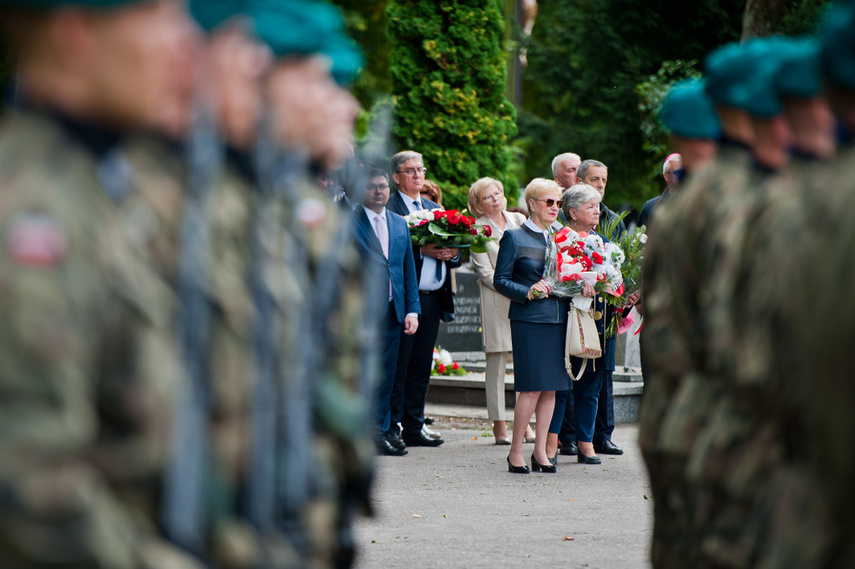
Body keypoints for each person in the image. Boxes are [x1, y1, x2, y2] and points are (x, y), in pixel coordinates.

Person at [0, 0, 205, 567]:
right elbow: (27, 474)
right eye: (162, 19)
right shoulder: (29, 209)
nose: (184, 46)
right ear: (74, 35)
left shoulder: (94, 188)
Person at [494, 178, 572, 474]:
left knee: (551, 388)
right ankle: (515, 451)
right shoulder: (514, 236)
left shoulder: (561, 237)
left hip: (558, 318)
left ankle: (540, 452)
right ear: (533, 204)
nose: (555, 208)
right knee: (531, 388)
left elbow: (568, 276)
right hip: (529, 319)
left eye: (559, 203)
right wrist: (525, 292)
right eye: (549, 202)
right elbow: (500, 280)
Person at [386, 150, 460, 447]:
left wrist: (452, 253)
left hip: (433, 297)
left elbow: (457, 246)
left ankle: (414, 426)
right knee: (398, 365)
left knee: (420, 366)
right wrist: (422, 250)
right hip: (404, 299)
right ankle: (391, 426)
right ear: (396, 177)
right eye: (411, 171)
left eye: (421, 170)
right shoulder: (389, 208)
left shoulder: (432, 206)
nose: (418, 175)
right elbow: (388, 250)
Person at [353, 165, 420, 457]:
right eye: (371, 187)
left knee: (388, 377)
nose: (378, 191)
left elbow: (407, 271)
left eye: (382, 186)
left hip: (394, 311)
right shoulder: (348, 222)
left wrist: (412, 310)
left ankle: (380, 433)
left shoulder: (398, 223)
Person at [467, 177, 534, 445]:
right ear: (478, 204)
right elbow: (485, 272)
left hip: (525, 300)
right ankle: (498, 424)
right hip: (497, 300)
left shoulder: (520, 222)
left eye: (498, 193)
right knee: (496, 364)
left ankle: (524, 423)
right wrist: (513, 289)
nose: (496, 199)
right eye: (488, 196)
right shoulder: (477, 230)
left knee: (524, 365)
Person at [638, 153, 682, 230]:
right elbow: (640, 239)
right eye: (677, 173)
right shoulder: (650, 208)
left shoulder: (697, 204)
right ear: (666, 176)